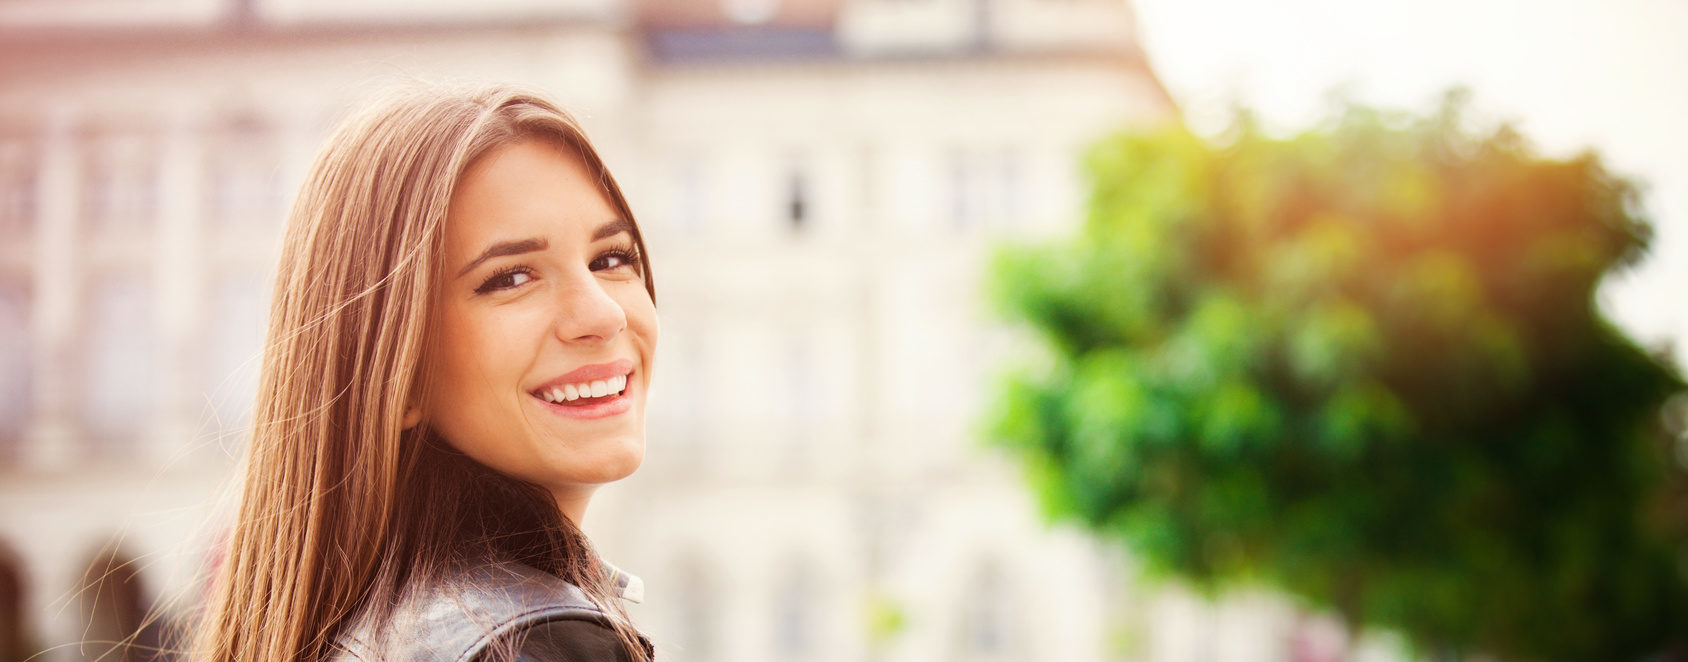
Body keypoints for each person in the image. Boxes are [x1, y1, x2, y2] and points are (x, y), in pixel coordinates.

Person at [190, 84, 658, 662]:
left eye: (611, 259)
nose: (604, 314)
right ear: (398, 372)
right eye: (512, 277)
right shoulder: (535, 644)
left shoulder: (365, 627)